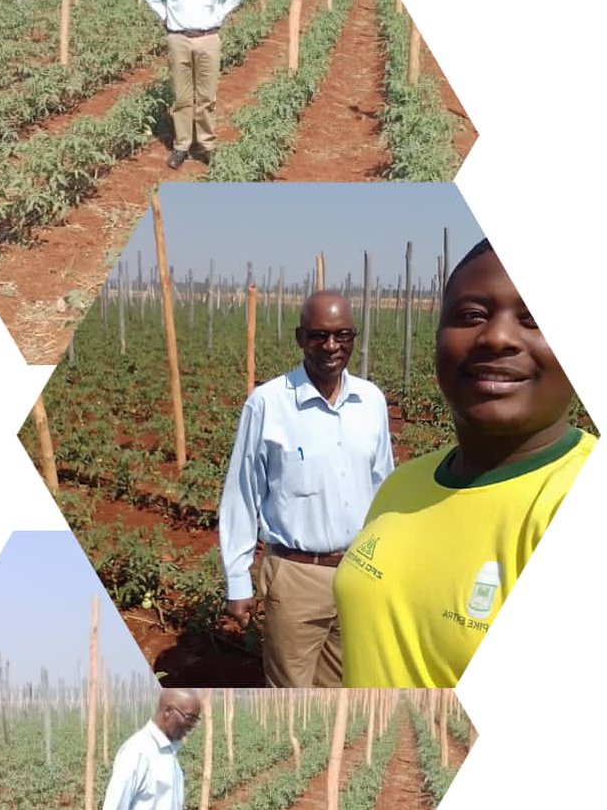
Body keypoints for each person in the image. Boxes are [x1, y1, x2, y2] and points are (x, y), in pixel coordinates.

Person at [334, 239, 597, 688]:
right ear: (436, 339)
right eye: (471, 315)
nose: (497, 337)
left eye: (536, 319)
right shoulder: (403, 486)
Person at [219, 290, 394, 688]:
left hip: (358, 571)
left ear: (354, 338)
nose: (331, 346)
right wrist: (238, 579)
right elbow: (242, 494)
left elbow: (383, 485)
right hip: (296, 574)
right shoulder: (268, 403)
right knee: (290, 694)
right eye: (319, 335)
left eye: (342, 335)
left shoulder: (371, 401)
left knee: (344, 684)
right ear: (300, 338)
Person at [144, 0, 243, 169]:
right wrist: (164, 15)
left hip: (209, 38)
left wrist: (220, 14)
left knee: (207, 97)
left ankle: (207, 145)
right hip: (179, 38)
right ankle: (182, 145)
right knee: (182, 96)